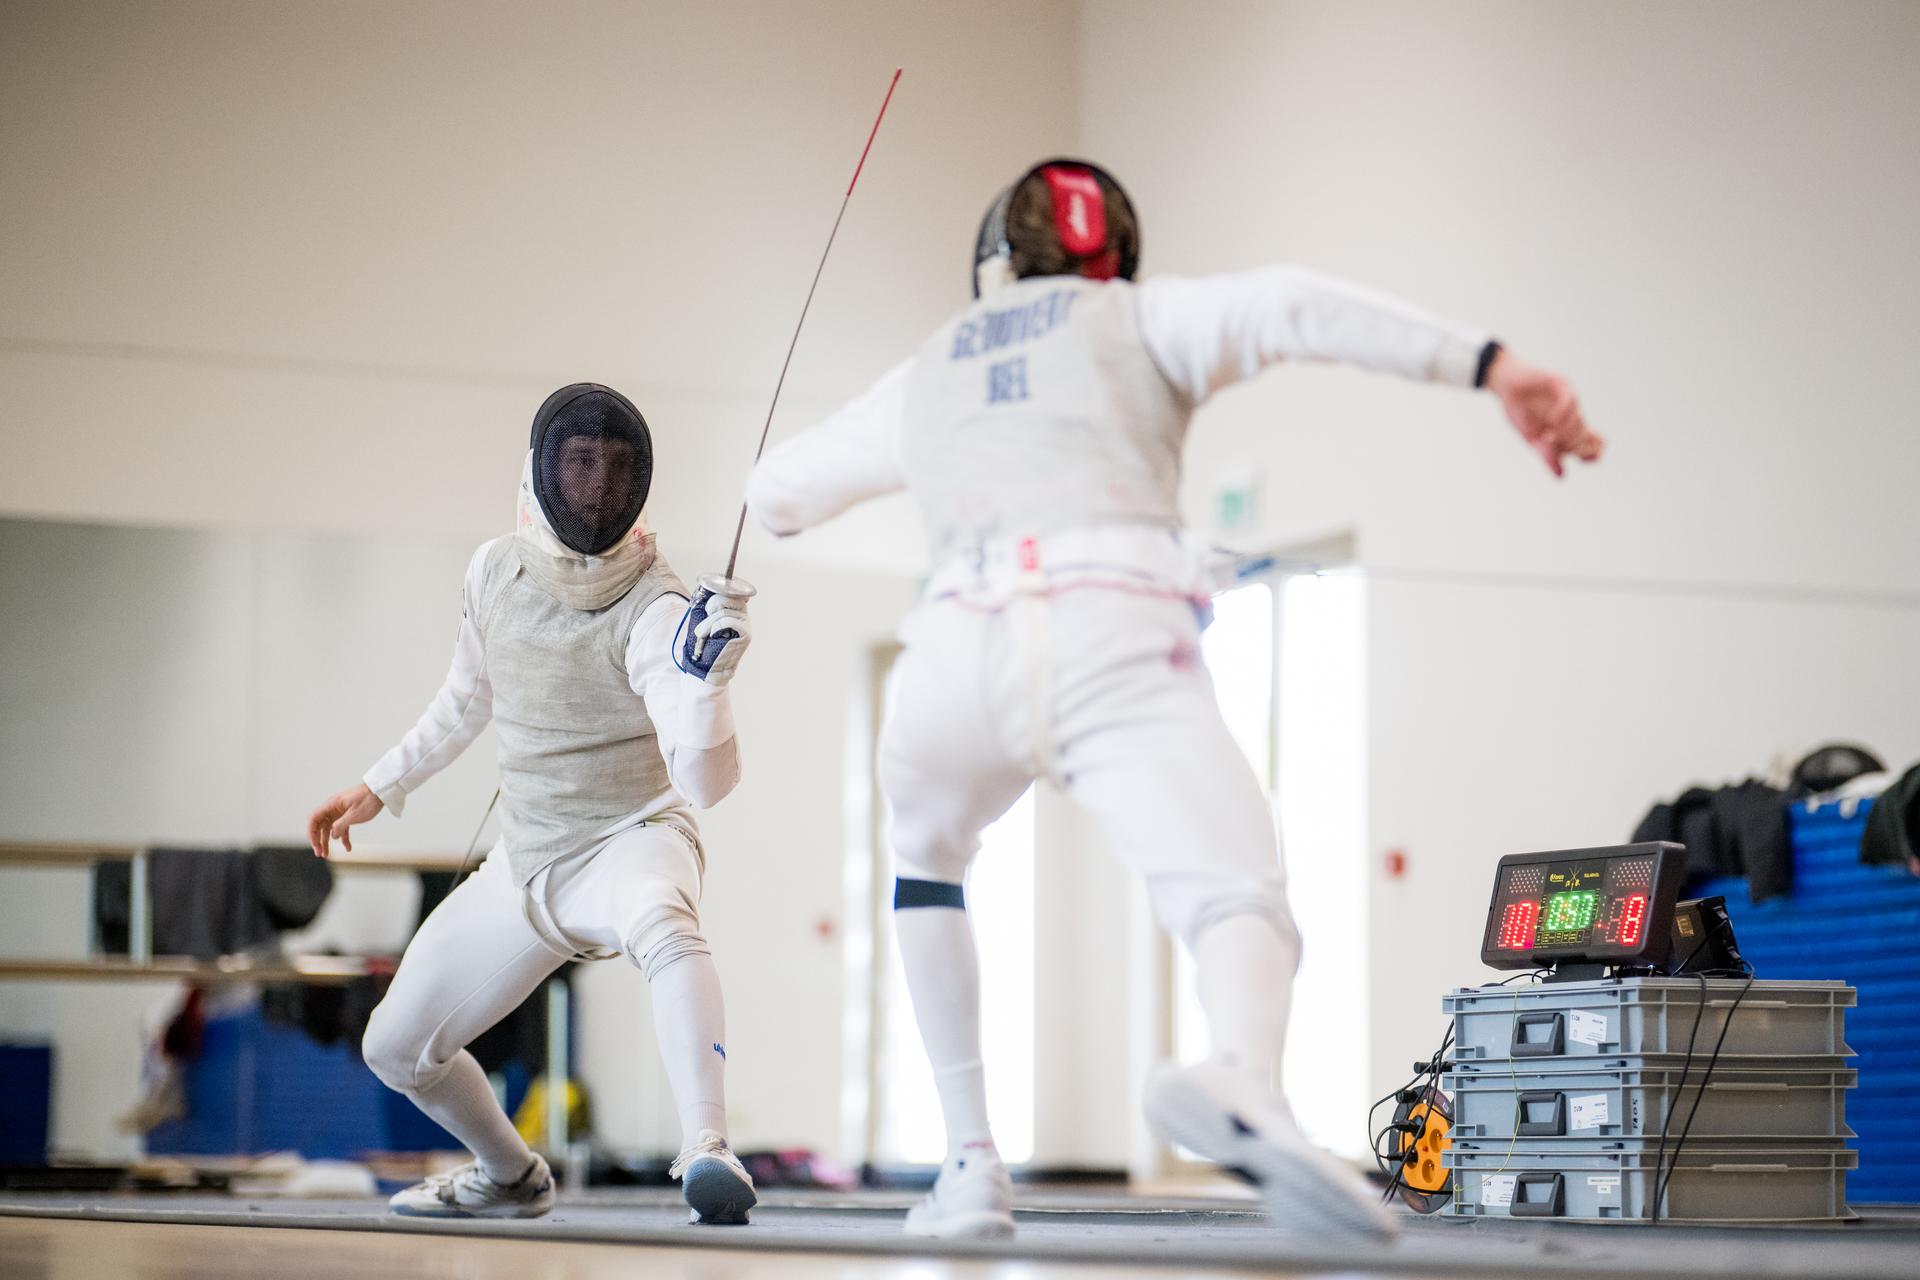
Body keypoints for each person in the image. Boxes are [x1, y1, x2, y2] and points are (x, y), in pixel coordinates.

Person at [745, 160, 1603, 1240]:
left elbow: (775, 494)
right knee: (1236, 891)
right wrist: (1494, 366)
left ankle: (968, 1169)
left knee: (926, 862)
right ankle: (1242, 1073)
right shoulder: (1145, 317)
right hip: (1111, 624)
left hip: (950, 652)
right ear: (1119, 254)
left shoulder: (930, 367)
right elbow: (1293, 302)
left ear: (993, 262)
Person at [307, 383, 760, 1223]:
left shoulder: (658, 607)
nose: (597, 486)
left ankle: (707, 1146)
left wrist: (709, 688)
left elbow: (704, 785)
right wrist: (379, 785)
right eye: (580, 462)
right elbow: (465, 698)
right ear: (543, 468)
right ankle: (511, 1176)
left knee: (665, 922)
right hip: (526, 860)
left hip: (633, 836)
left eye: (615, 467)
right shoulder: (493, 570)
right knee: (395, 1048)